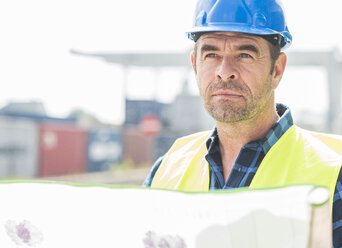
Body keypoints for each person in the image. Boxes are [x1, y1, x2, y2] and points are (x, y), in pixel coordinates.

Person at [143, 0, 342, 246]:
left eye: (245, 54)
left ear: (277, 70)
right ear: (195, 65)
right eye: (211, 54)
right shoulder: (166, 170)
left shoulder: (333, 176)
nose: (224, 71)